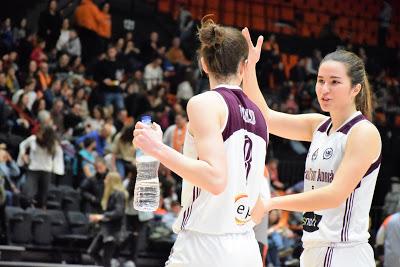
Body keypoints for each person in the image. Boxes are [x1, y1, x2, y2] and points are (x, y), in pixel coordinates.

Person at [133, 18, 268, 267]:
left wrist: (156, 148)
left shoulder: (204, 103)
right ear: (244, 66)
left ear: (204, 64)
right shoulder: (261, 114)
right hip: (246, 246)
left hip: (205, 243)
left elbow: (215, 179)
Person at [242, 28, 382, 267]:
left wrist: (271, 203)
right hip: (314, 248)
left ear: (356, 88)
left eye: (335, 82)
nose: (324, 89)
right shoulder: (318, 125)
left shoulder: (363, 132)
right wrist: (249, 68)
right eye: (320, 81)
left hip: (343, 252)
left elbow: (334, 195)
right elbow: (264, 116)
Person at [17, 126, 65, 208]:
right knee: (26, 194)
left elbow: (59, 155)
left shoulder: (53, 144)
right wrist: (23, 155)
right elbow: (22, 145)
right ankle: (27, 207)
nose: (38, 135)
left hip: (46, 171)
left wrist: (56, 169)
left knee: (42, 198)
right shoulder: (33, 139)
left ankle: (39, 212)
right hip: (33, 169)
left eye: (41, 134)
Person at [87, 172, 127, 267]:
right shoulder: (110, 194)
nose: (104, 181)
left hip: (114, 230)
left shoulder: (119, 194)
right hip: (105, 230)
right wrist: (99, 218)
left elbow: (118, 212)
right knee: (92, 252)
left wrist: (102, 216)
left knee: (106, 258)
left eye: (106, 179)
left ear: (111, 181)